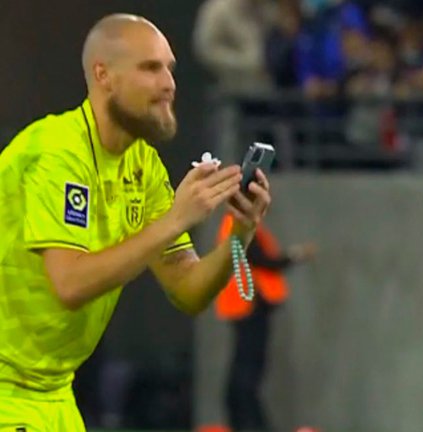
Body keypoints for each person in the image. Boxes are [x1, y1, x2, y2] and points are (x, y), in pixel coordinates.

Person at [0, 14, 271, 430]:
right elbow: (69, 284)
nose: (169, 84)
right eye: (150, 68)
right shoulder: (56, 153)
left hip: (52, 391)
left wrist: (241, 232)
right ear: (103, 75)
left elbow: (188, 290)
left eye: (170, 68)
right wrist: (175, 219)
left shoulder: (142, 164)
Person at [215, 213, 316, 431]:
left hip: (243, 305)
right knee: (247, 373)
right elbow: (263, 259)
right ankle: (250, 424)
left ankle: (243, 423)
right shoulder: (241, 227)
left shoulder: (236, 225)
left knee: (243, 370)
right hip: (249, 307)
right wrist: (295, 255)